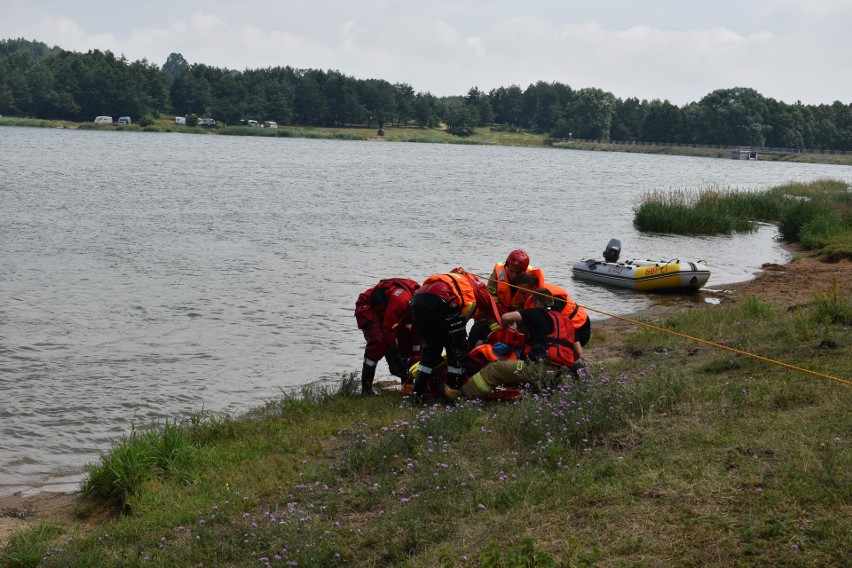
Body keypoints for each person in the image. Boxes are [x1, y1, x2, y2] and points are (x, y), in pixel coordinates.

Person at [449, 288, 583, 401]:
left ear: (536, 302)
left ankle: (463, 397)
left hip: (538, 368)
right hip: (559, 373)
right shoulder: (566, 321)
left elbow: (506, 317)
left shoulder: (537, 312)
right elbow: (578, 352)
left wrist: (506, 327)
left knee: (495, 368)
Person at [408, 267, 501, 402]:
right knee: (457, 351)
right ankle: (451, 395)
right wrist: (498, 333)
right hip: (442, 302)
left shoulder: (448, 279)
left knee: (431, 351)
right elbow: (491, 309)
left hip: (416, 302)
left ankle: (417, 395)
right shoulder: (477, 285)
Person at [355, 278, 421, 395]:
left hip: (390, 311)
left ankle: (406, 386)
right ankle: (366, 390)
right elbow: (388, 329)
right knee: (379, 343)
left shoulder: (421, 306)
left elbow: (416, 336)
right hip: (368, 306)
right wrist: (395, 357)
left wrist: (416, 357)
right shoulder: (402, 301)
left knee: (407, 344)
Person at [468, 249, 545, 345]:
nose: (513, 275)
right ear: (507, 266)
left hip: (518, 310)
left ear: (524, 271)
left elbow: (532, 307)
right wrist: (496, 328)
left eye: (517, 273)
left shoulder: (530, 279)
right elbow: (489, 304)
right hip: (496, 307)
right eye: (511, 271)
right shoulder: (497, 275)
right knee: (480, 325)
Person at [517, 277, 592, 357]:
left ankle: (571, 363)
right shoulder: (542, 293)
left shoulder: (552, 300)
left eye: (523, 293)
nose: (521, 297)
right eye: (519, 293)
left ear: (534, 288)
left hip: (580, 327)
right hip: (575, 323)